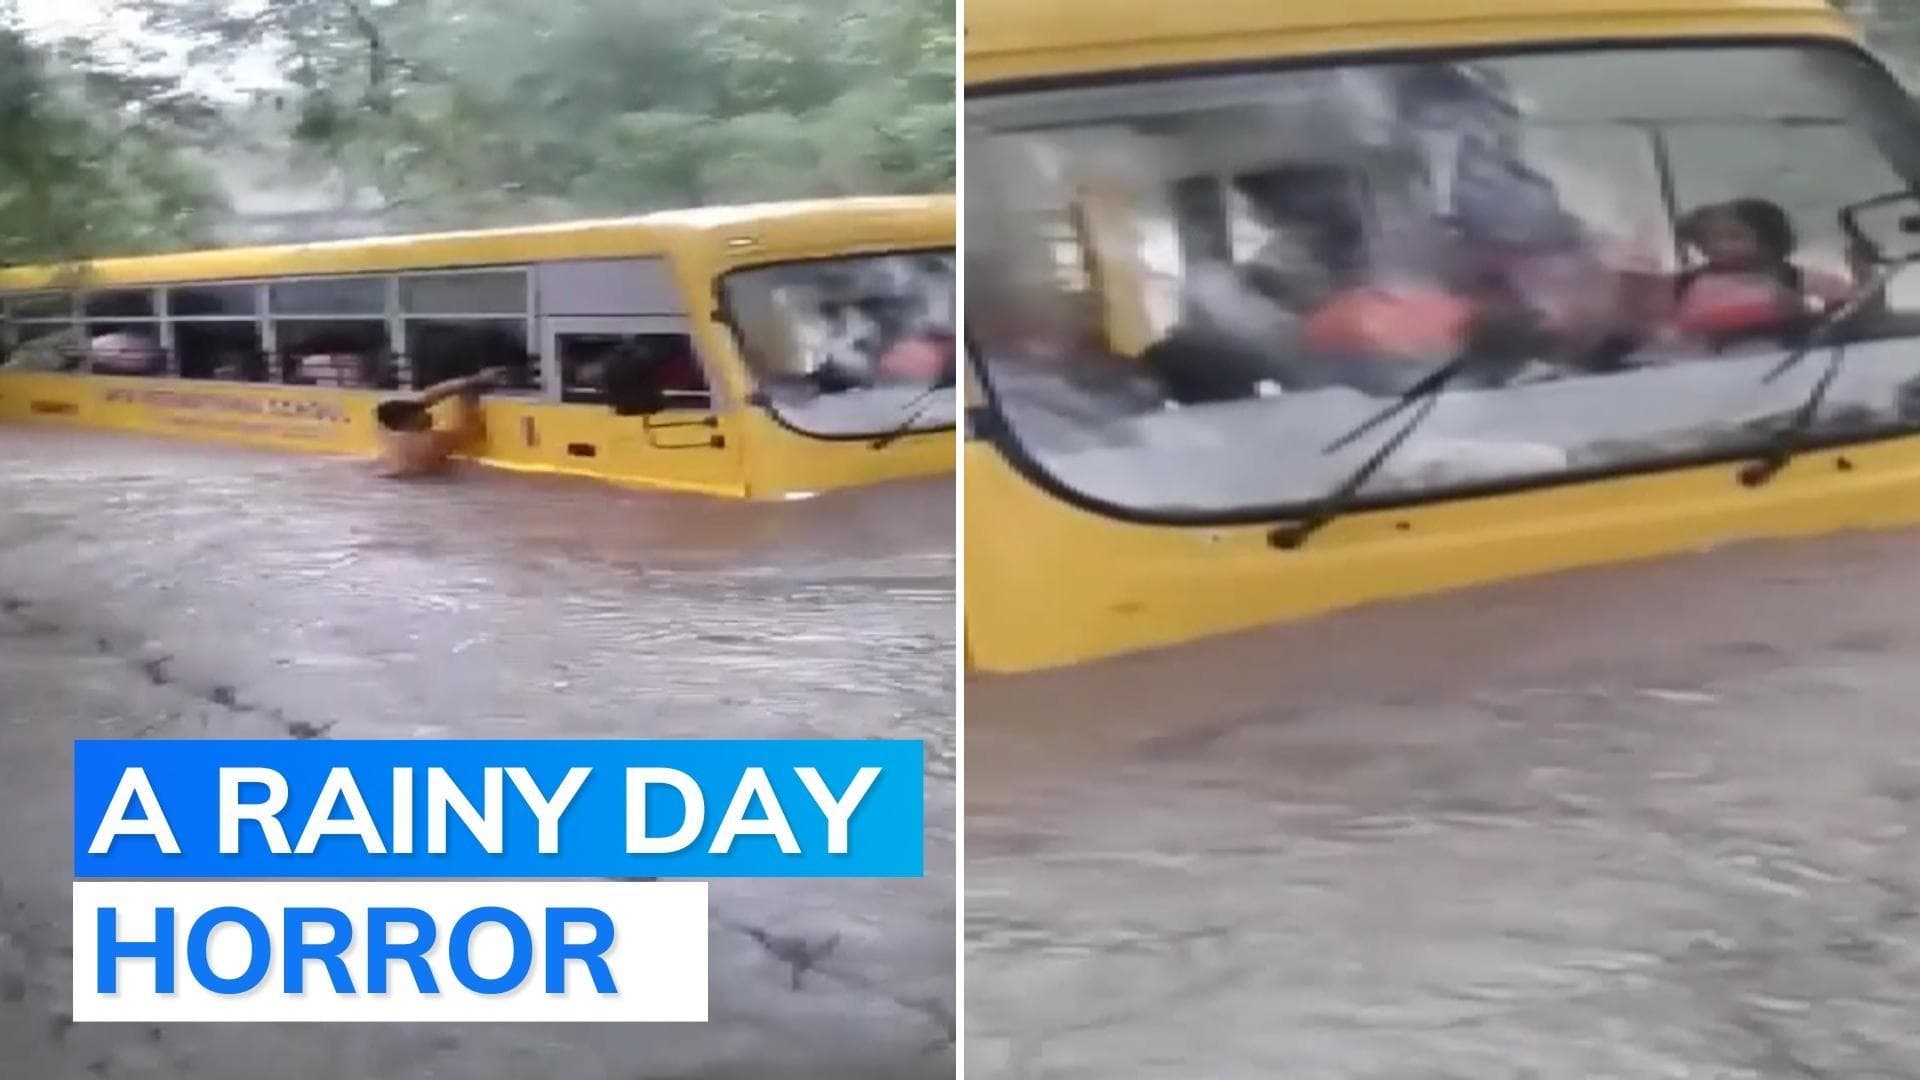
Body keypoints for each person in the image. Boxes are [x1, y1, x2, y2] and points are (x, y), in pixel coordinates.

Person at [371, 367, 509, 477]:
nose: (429, 413)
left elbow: (428, 397)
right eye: (422, 413)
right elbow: (474, 435)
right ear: (407, 423)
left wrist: (472, 381)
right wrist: (468, 398)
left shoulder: (390, 434)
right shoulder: (428, 443)